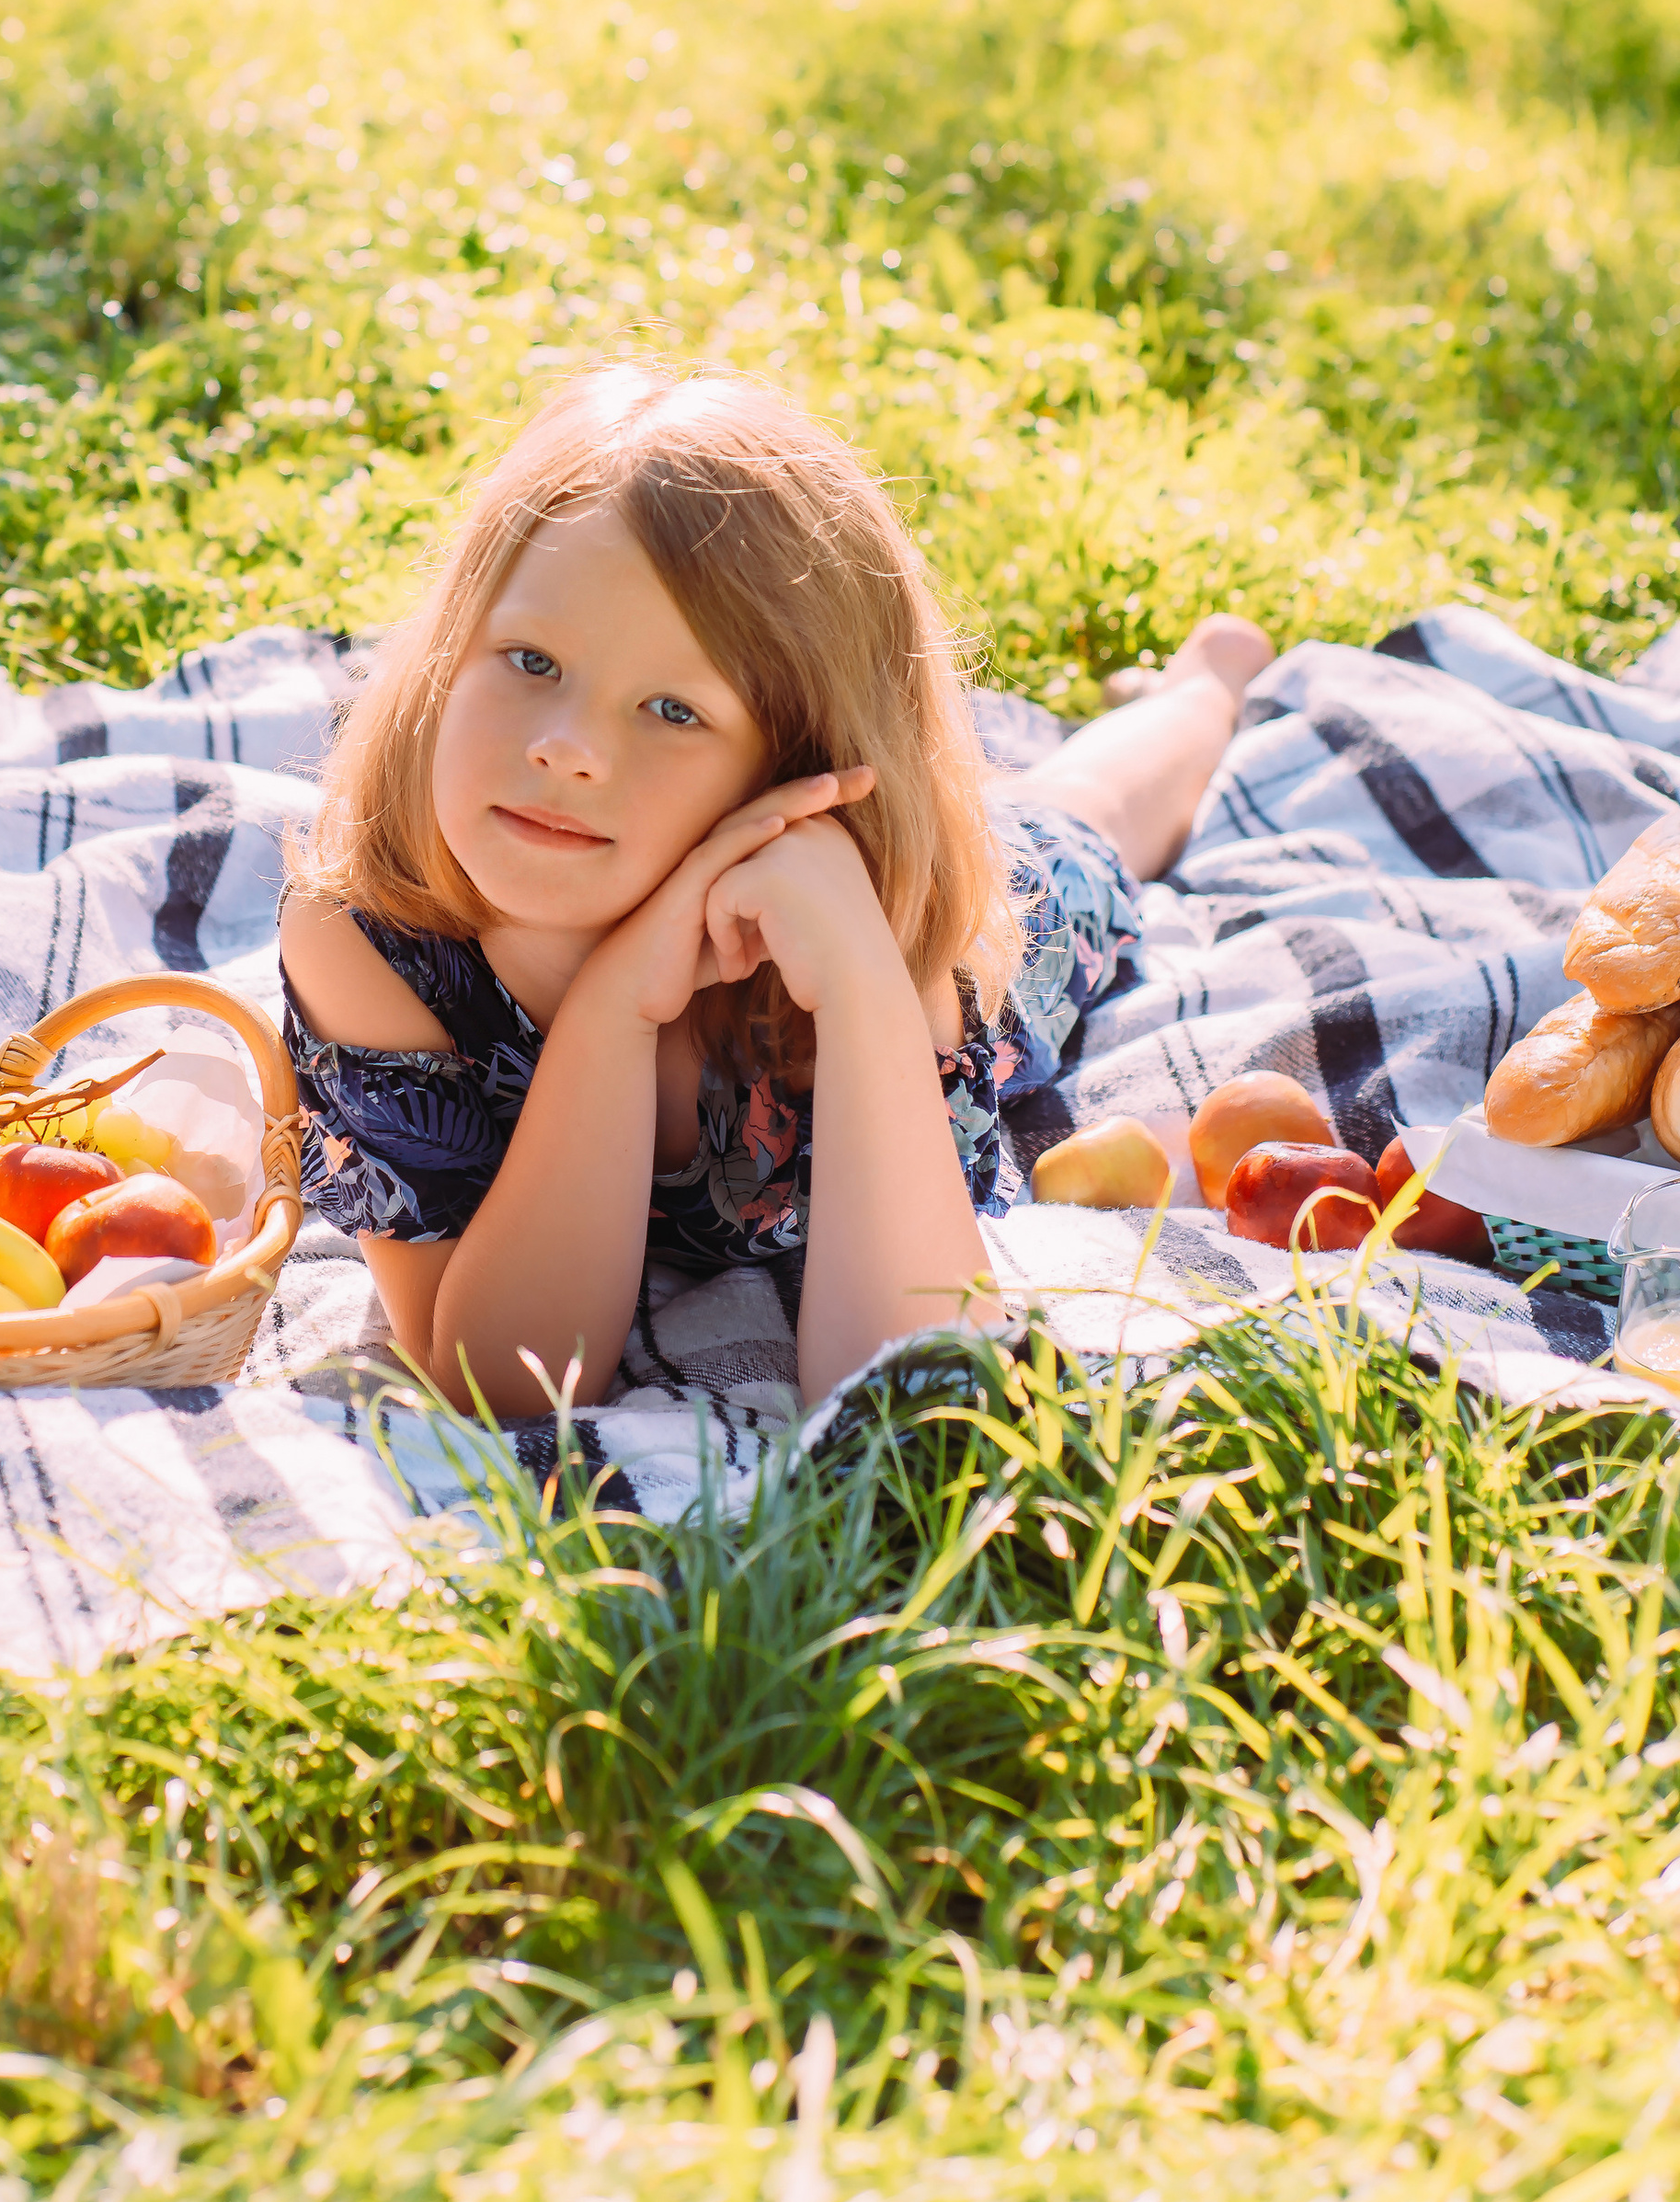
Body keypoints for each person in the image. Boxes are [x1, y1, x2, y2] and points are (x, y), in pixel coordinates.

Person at [280, 364, 1271, 1416]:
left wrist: (855, 976)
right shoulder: (370, 939)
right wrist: (618, 1008)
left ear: (788, 772)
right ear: (447, 652)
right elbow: (500, 1382)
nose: (566, 748)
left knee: (1089, 810)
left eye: (671, 709)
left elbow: (905, 1382)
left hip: (982, 931)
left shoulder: (857, 941)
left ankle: (1211, 677)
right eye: (530, 659)